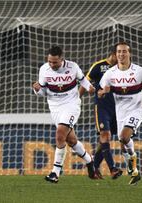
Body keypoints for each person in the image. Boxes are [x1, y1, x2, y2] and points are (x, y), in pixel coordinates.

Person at [32, 45, 97, 183]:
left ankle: (55, 172)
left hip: (71, 104)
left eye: (55, 62)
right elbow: (43, 93)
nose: (52, 64)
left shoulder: (73, 67)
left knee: (60, 134)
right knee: (71, 140)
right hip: (55, 107)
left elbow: (82, 79)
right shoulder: (44, 69)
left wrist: (89, 87)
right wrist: (37, 90)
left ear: (62, 59)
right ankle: (89, 160)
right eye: (49, 61)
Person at [98, 41, 142, 185]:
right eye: (119, 51)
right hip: (120, 112)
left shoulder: (140, 71)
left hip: (137, 109)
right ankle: (134, 172)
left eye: (124, 51)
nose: (121, 54)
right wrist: (103, 92)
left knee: (124, 137)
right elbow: (99, 92)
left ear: (129, 53)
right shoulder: (110, 74)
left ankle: (133, 160)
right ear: (115, 54)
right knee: (122, 141)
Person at [78, 48, 123, 179]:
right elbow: (84, 82)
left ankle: (94, 167)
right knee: (105, 135)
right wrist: (77, 100)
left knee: (106, 140)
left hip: (118, 108)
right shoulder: (99, 66)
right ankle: (113, 169)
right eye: (119, 54)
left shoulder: (122, 68)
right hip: (102, 107)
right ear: (113, 54)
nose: (121, 57)